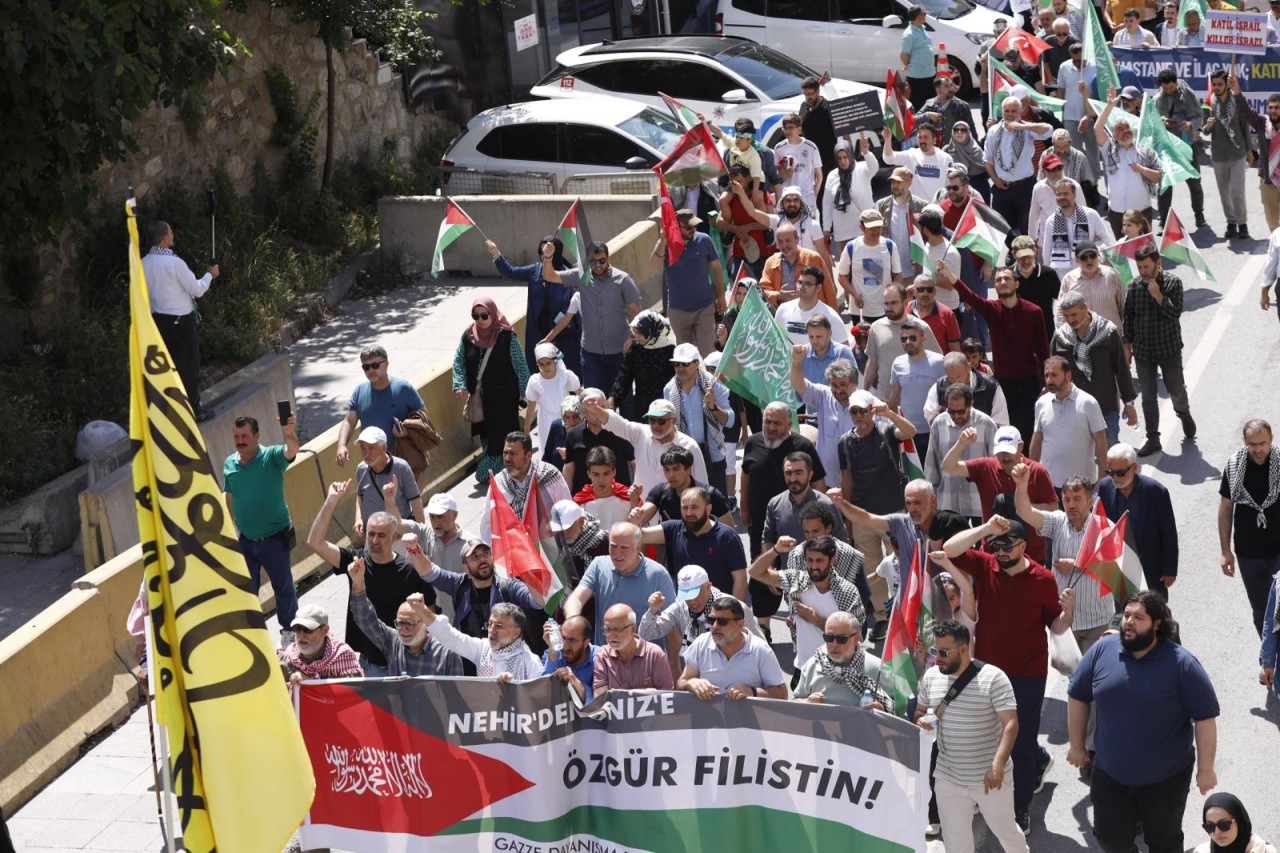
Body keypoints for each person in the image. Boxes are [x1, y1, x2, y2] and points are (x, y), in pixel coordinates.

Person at [941, 516, 1075, 834]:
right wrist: (986, 529)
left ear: (1023, 546)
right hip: (985, 672)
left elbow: (1055, 627)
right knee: (982, 738)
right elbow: (949, 548)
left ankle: (1020, 808)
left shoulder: (1043, 579)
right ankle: (981, 795)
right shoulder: (985, 564)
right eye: (995, 546)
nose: (999, 552)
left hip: (1027, 674)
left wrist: (1068, 612)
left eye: (1006, 545)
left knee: (1022, 743)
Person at [1067, 591, 1220, 853]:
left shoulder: (1182, 664)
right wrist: (1077, 744)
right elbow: (1077, 694)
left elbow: (1205, 718)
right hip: (1109, 773)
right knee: (1108, 837)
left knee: (1164, 842)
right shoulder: (1103, 650)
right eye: (1126, 615)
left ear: (1157, 624)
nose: (1128, 621)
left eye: (1138, 617)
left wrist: (1206, 769)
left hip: (1166, 779)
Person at [916, 619, 1026, 851]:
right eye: (935, 650)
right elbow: (919, 710)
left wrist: (998, 763)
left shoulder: (993, 678)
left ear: (964, 649)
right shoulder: (931, 677)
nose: (937, 657)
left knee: (1006, 832)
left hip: (990, 777)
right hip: (948, 778)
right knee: (956, 844)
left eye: (944, 652)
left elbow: (1011, 723)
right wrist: (921, 720)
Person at [307, 480, 437, 676]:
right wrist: (332, 500)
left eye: (382, 535)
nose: (375, 541)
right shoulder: (355, 562)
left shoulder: (410, 571)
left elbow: (430, 615)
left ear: (394, 538)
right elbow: (315, 542)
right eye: (371, 534)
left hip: (398, 665)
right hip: (362, 664)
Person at [836, 391, 919, 635]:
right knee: (872, 567)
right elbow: (846, 478)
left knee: (903, 561)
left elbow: (910, 432)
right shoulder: (844, 442)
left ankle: (908, 609)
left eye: (864, 410)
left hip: (893, 512)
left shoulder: (886, 431)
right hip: (863, 515)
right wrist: (847, 514)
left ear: (871, 410)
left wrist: (890, 414)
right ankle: (883, 615)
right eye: (854, 411)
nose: (859, 416)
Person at [405, 535, 542, 668]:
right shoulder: (459, 584)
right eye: (474, 557)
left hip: (505, 664)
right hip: (466, 663)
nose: (482, 559)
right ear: (465, 567)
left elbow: (538, 602)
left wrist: (527, 571)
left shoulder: (508, 587)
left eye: (486, 554)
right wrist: (414, 549)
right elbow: (429, 572)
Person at [1014, 466, 1113, 650]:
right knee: (1073, 677)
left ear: (1090, 501)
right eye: (1067, 499)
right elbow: (1024, 511)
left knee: (1096, 676)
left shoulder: (1105, 527)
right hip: (1065, 620)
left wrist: (1076, 565)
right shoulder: (1057, 522)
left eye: (1077, 499)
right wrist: (1021, 485)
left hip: (1098, 622)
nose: (1071, 504)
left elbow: (1113, 569)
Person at [223, 413, 299, 645]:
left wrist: (288, 432)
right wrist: (232, 527)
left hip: (274, 539)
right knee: (246, 590)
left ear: (257, 436)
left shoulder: (271, 456)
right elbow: (229, 496)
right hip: (246, 540)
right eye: (237, 436)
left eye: (245, 435)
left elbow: (292, 449)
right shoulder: (229, 463)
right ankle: (252, 635)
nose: (240, 440)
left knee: (283, 587)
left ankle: (289, 632)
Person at [954, 268, 1049, 444]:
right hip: (1002, 383)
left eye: (1007, 278)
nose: (1003, 282)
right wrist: (951, 276)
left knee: (1025, 432)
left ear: (1016, 283)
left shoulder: (1034, 311)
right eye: (998, 280)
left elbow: (1044, 351)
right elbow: (971, 297)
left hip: (1029, 383)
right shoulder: (992, 309)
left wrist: (1046, 383)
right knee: (1004, 432)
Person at [941, 425, 1060, 563]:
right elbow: (948, 466)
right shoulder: (986, 467)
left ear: (1020, 447)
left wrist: (1021, 506)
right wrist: (961, 444)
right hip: (992, 553)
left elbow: (1054, 510)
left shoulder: (1037, 471)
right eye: (1001, 452)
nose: (1005, 457)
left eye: (1009, 451)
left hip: (1031, 555)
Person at [748, 534, 865, 671]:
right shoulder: (797, 580)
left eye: (819, 560)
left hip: (836, 671)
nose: (813, 566)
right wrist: (776, 550)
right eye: (810, 560)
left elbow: (856, 637)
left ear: (832, 560)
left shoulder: (848, 592)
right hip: (803, 669)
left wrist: (816, 620)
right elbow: (755, 572)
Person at [141, 220, 220, 421]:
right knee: (188, 367)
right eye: (170, 231)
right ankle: (193, 410)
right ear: (165, 238)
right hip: (181, 323)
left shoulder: (143, 263)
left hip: (158, 322)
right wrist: (210, 275)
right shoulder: (174, 263)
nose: (173, 235)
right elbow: (197, 289)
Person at [564, 522, 680, 655]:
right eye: (613, 546)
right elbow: (577, 598)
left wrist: (674, 667)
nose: (617, 553)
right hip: (605, 662)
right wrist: (573, 620)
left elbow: (673, 624)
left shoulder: (658, 574)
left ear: (638, 546)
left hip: (645, 664)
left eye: (624, 547)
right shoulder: (598, 565)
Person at [540, 241, 643, 391]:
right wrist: (548, 257)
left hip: (619, 352)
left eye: (602, 260)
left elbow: (637, 310)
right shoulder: (580, 276)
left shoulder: (623, 279)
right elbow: (549, 276)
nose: (598, 265)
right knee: (593, 400)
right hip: (591, 354)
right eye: (593, 261)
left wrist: (632, 337)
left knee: (624, 400)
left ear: (609, 258)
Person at [1125, 244, 1194, 457]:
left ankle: (1183, 413)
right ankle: (1153, 437)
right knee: (1148, 395)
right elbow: (1128, 317)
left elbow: (1175, 313)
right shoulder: (1134, 286)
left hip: (1168, 348)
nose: (1143, 271)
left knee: (1175, 388)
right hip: (1144, 351)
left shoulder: (1173, 283)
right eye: (1140, 267)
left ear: (1158, 264)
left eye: (1146, 267)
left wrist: (1159, 296)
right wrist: (1127, 345)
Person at [453, 297, 528, 483]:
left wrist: (525, 393)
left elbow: (520, 365)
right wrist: (459, 384)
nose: (480, 319)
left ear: (492, 313)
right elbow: (458, 362)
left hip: (504, 398)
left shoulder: (506, 336)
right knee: (487, 436)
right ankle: (501, 470)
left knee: (503, 436)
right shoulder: (468, 336)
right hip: (481, 399)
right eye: (475, 315)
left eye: (484, 315)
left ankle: (501, 469)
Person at [1219, 419, 1280, 637]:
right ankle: (1270, 657)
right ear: (1245, 442)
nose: (1258, 449)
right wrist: (1226, 551)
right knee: (1261, 611)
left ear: (1271, 439)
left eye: (1262, 443)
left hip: (1277, 552)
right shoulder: (1235, 466)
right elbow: (1226, 507)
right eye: (1252, 444)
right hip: (1248, 555)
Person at [1052, 290, 1137, 445]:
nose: (1070, 320)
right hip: (1073, 409)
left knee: (1110, 455)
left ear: (1085, 307)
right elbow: (1053, 372)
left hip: (1105, 407)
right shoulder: (1061, 337)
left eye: (1074, 314)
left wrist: (1129, 404)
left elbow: (1121, 369)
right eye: (1066, 316)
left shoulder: (1108, 332)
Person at [1097, 442, 1179, 596]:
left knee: (1153, 613)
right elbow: (1101, 526)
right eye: (1110, 472)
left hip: (1150, 567)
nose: (1115, 478)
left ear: (1134, 468)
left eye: (1120, 473)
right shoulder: (1105, 487)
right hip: (1120, 567)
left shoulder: (1156, 492)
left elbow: (1168, 532)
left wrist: (1169, 569)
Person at [485, 236, 578, 372]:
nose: (543, 256)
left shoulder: (566, 275)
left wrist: (550, 337)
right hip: (536, 332)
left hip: (560, 334)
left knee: (561, 372)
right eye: (542, 252)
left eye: (548, 253)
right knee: (537, 370)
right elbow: (511, 272)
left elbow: (567, 311)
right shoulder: (535, 270)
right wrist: (496, 254)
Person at [346, 569, 462, 678]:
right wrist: (358, 583)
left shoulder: (447, 653)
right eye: (400, 623)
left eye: (410, 623)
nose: (404, 629)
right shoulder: (393, 642)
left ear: (425, 623)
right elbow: (365, 617)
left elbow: (456, 694)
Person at [640, 486, 748, 600]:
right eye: (684, 508)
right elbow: (640, 535)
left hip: (718, 610)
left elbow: (740, 579)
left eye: (694, 507)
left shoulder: (727, 536)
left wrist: (733, 613)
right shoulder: (674, 529)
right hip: (683, 610)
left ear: (708, 509)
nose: (689, 513)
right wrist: (636, 513)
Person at [586, 395, 707, 495]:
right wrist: (596, 410)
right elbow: (616, 423)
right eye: (652, 420)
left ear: (674, 420)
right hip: (643, 511)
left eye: (661, 421)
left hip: (677, 513)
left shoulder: (689, 446)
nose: (655, 426)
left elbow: (701, 485)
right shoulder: (640, 433)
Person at [677, 596, 789, 699]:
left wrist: (752, 692)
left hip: (747, 719)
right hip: (708, 718)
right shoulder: (701, 643)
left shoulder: (760, 650)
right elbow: (681, 683)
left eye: (722, 621)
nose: (714, 626)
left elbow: (782, 694)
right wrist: (690, 683)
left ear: (740, 625)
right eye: (711, 620)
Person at [640, 565, 765, 652]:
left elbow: (762, 647)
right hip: (696, 678)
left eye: (696, 594)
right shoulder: (679, 608)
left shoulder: (736, 608)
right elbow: (646, 635)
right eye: (686, 596)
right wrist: (653, 611)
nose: (692, 602)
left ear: (709, 586)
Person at [337, 344, 424, 464]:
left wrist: (407, 430)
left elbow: (424, 420)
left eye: (375, 365)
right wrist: (342, 445)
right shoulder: (359, 391)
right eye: (366, 367)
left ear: (387, 364)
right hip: (375, 464)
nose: (371, 370)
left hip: (407, 460)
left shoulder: (403, 388)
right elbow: (349, 421)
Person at [1030, 356, 1108, 488]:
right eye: (1046, 375)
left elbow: (1101, 443)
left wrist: (1102, 479)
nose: (1049, 380)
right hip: (1049, 485)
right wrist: (1032, 474)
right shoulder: (1041, 403)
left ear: (1068, 375)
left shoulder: (1088, 403)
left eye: (1054, 375)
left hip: (1082, 486)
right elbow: (1037, 440)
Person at [479, 431, 572, 541]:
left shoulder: (549, 475)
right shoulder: (499, 483)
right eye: (505, 453)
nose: (507, 458)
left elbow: (567, 510)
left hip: (552, 546)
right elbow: (488, 523)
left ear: (528, 455)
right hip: (517, 550)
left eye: (513, 454)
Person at [925, 384, 998, 520]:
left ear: (971, 404)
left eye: (961, 411)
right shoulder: (938, 424)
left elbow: (995, 466)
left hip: (979, 505)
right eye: (951, 412)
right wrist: (930, 499)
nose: (956, 416)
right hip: (948, 504)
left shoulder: (986, 424)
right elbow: (932, 465)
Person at [658, 209, 726, 355]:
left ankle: (709, 378)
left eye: (695, 226)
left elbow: (716, 267)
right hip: (678, 311)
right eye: (689, 227)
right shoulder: (666, 245)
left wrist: (721, 296)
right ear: (676, 227)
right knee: (685, 357)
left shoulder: (704, 240)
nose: (693, 230)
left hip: (704, 307)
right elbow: (654, 265)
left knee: (708, 353)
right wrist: (663, 240)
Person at [985, 97, 1054, 236]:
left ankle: (1027, 255)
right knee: (1004, 227)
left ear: (1020, 112)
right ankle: (1012, 253)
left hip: (1024, 186)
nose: (1010, 114)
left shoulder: (1027, 129)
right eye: (1007, 110)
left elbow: (1049, 130)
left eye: (1014, 111)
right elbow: (988, 160)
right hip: (1001, 187)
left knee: (1027, 226)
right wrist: (995, 180)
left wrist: (1021, 126)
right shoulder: (993, 131)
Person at [1095, 95, 1162, 235]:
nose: (1125, 131)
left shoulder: (1145, 151)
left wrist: (1142, 169)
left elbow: (1159, 178)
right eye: (1120, 129)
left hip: (1141, 211)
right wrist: (1109, 106)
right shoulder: (1109, 150)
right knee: (1122, 252)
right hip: (1117, 211)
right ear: (1113, 135)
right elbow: (1097, 128)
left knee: (1144, 251)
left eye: (1127, 128)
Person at [793, 611, 889, 708]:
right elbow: (794, 702)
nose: (834, 644)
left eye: (841, 639)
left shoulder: (876, 668)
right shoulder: (813, 665)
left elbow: (896, 708)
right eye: (829, 637)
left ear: (856, 639)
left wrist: (882, 709)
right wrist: (807, 702)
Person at [790, 347, 858, 479]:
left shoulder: (867, 403)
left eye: (843, 384)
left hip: (858, 482)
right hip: (827, 480)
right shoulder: (824, 395)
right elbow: (799, 384)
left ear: (854, 383)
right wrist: (797, 363)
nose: (838, 390)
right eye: (834, 385)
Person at [864, 283, 943, 395]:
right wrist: (863, 392)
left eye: (894, 303)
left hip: (915, 402)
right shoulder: (876, 327)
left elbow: (938, 363)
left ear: (905, 303)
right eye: (886, 303)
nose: (889, 308)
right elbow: (873, 363)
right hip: (884, 400)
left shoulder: (921, 327)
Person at [1153, 69, 1207, 229]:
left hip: (1186, 145)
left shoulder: (1187, 94)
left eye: (1172, 87)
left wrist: (1190, 125)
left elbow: (1199, 116)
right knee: (1164, 184)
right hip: (1167, 147)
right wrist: (1162, 121)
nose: (1169, 91)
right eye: (1166, 88)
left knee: (1194, 182)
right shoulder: (1157, 99)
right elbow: (1153, 120)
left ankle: (1199, 214)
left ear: (1176, 83)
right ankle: (1163, 220)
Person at [1204, 70, 1254, 239]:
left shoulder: (1237, 101)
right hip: (1218, 155)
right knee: (1224, 192)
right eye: (1214, 84)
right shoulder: (1209, 103)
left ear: (1227, 84)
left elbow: (1244, 126)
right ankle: (1231, 222)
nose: (1217, 87)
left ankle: (1242, 223)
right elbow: (1203, 130)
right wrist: (1208, 126)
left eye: (1220, 84)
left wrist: (1249, 150)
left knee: (1237, 191)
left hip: (1237, 152)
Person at [888, 317, 947, 460]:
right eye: (903, 339)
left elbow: (947, 395)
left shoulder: (939, 361)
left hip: (934, 431)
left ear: (923, 338)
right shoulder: (898, 363)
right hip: (907, 432)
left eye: (912, 337)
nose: (908, 342)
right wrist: (891, 422)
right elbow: (895, 396)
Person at [353, 426, 423, 538]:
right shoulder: (361, 469)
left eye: (371, 448)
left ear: (384, 448)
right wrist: (358, 519)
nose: (366, 454)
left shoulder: (401, 467)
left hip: (399, 535)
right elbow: (360, 496)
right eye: (363, 448)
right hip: (373, 537)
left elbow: (415, 501)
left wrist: (422, 535)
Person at [634, 445, 732, 526]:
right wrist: (634, 503)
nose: (671, 475)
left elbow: (729, 533)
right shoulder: (660, 492)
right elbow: (640, 518)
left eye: (676, 469)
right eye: (666, 469)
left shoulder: (711, 495)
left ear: (689, 469)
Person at [608, 311, 676, 423]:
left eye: (640, 333)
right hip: (641, 406)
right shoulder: (635, 350)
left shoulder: (670, 351)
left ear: (651, 330)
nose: (636, 337)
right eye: (635, 333)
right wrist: (613, 398)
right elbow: (624, 377)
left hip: (665, 406)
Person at [593, 603, 676, 693]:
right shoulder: (603, 656)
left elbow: (667, 696)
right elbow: (600, 698)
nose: (612, 635)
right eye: (607, 630)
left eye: (618, 629)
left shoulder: (654, 654)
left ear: (633, 628)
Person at [838, 209, 901, 323]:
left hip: (885, 310)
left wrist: (892, 296)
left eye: (878, 227)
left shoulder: (890, 246)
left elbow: (898, 274)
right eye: (871, 228)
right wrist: (854, 295)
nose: (876, 231)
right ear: (861, 227)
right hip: (860, 311)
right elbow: (842, 277)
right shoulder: (851, 247)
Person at [824, 138, 878, 266]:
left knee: (870, 267)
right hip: (842, 230)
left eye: (845, 157)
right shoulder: (832, 175)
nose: (843, 161)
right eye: (839, 158)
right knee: (848, 267)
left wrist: (866, 152)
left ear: (851, 155)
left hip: (864, 227)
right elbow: (827, 204)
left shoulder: (862, 168)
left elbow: (874, 167)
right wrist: (826, 228)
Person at [276, 604, 364, 683]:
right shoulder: (288, 656)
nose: (301, 635)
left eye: (308, 629)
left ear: (325, 630)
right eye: (297, 628)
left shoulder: (343, 656)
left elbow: (350, 694)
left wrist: (310, 682)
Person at [1039, 181, 1111, 275]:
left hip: (1090, 269)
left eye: (1065, 193)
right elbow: (1047, 251)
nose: (1062, 197)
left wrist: (1092, 246)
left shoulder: (1090, 215)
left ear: (1074, 194)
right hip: (1063, 274)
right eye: (1058, 194)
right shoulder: (1051, 221)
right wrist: (1049, 275)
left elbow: (1106, 240)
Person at [922, 350, 1010, 427]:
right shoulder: (939, 386)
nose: (956, 381)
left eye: (959, 376)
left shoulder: (991, 387)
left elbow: (1001, 422)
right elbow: (930, 413)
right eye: (951, 378)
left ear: (968, 367)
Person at [760, 223, 836, 310]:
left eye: (788, 240)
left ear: (797, 240)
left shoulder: (813, 258)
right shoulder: (771, 262)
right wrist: (779, 296)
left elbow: (829, 291)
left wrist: (833, 318)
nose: (784, 245)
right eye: (780, 241)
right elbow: (763, 291)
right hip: (784, 315)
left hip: (813, 314)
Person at [1058, 240, 1125, 333]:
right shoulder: (1069, 280)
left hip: (1113, 337)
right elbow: (1061, 312)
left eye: (1092, 256)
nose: (1089, 260)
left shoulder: (1113, 276)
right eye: (1084, 257)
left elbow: (1124, 306)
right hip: (1083, 340)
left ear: (1098, 255)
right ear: (1077, 259)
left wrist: (1127, 337)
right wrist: (1063, 336)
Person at [1237, 89, 1280, 233]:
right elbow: (1245, 110)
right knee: (1272, 221)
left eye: (1277, 108)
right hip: (1268, 180)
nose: (1273, 111)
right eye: (1271, 107)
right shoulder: (1262, 124)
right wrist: (1236, 90)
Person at [523, 342, 580, 451]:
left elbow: (580, 393)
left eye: (548, 363)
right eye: (541, 364)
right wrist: (526, 430)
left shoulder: (566, 375)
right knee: (549, 451)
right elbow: (531, 406)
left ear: (555, 362)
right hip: (545, 421)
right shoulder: (534, 381)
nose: (545, 367)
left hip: (567, 419)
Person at [774, 265, 847, 347]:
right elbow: (776, 340)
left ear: (818, 288)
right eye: (800, 282)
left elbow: (844, 350)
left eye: (807, 284)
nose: (801, 287)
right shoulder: (783, 310)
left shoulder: (830, 316)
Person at [878, 168, 930, 279]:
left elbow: (928, 237)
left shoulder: (921, 206)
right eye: (893, 182)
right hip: (890, 271)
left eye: (898, 182)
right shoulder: (883, 205)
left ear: (909, 183)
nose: (894, 185)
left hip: (913, 273)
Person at [884, 121, 953, 203]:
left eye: (926, 137)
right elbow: (889, 158)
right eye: (920, 137)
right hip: (915, 208)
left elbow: (951, 185)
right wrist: (887, 140)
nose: (922, 140)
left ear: (934, 140)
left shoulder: (946, 159)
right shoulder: (911, 154)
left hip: (937, 209)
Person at [1009, 236, 1061, 342]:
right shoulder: (1007, 277)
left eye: (1029, 256)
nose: (1026, 261)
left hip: (1044, 333)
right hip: (1017, 334)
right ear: (1014, 255)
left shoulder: (1048, 274)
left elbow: (1062, 300)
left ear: (1035, 251)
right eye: (1021, 258)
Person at [572, 446, 639, 529]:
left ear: (614, 472)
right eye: (596, 474)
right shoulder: (578, 504)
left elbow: (638, 531)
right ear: (589, 474)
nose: (601, 480)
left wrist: (634, 504)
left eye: (606, 473)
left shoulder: (629, 497)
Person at [550, 499, 610, 586]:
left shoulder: (604, 542)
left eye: (569, 528)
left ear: (581, 521)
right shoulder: (558, 544)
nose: (564, 533)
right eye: (560, 529)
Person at [773, 113, 824, 212]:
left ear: (799, 129)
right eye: (785, 128)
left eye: (791, 127)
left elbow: (819, 175)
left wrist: (814, 195)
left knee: (808, 226)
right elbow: (777, 174)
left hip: (807, 196)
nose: (787, 131)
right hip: (788, 197)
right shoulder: (779, 147)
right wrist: (784, 173)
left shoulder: (811, 147)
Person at [800, 76, 839, 202]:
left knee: (824, 198)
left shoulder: (829, 109)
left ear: (818, 92)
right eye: (806, 94)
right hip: (808, 160)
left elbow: (842, 133)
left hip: (826, 162)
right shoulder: (804, 107)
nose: (808, 97)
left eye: (811, 94)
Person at [1195, 794, 1277, 853]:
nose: (1217, 832)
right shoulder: (1200, 851)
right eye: (1209, 827)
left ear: (1239, 822)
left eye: (1224, 824)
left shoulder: (1265, 851)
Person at [541, 615, 597, 702]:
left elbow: (599, 702)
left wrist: (575, 682)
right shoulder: (553, 652)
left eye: (572, 640)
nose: (565, 646)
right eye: (563, 638)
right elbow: (543, 692)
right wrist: (552, 650)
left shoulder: (599, 657)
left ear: (586, 643)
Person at [909, 273, 962, 354]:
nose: (925, 293)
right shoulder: (904, 310)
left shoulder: (947, 314)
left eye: (929, 289)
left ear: (935, 292)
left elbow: (955, 349)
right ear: (914, 292)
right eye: (920, 289)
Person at [917, 73, 973, 145]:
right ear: (938, 89)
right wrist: (928, 115)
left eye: (951, 85)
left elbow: (971, 130)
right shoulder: (929, 104)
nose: (951, 88)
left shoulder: (961, 106)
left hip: (954, 149)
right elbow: (915, 119)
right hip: (934, 149)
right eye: (946, 86)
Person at [900, 5, 936, 110]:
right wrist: (909, 65)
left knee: (931, 102)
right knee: (919, 103)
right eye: (924, 14)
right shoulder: (909, 34)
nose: (926, 16)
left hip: (929, 73)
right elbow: (903, 55)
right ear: (918, 16)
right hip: (917, 76)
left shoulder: (922, 28)